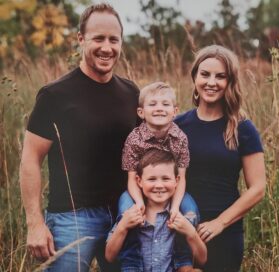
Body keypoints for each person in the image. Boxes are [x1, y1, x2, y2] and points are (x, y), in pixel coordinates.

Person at [19, 3, 139, 271]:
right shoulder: (55, 95)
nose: (106, 48)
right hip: (71, 219)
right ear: (81, 39)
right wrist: (35, 224)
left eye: (113, 40)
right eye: (98, 38)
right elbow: (30, 160)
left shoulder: (131, 93)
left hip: (123, 215)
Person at [175, 45, 266, 272]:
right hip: (179, 230)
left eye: (220, 76)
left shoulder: (242, 128)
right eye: (205, 74)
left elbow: (258, 188)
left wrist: (220, 223)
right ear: (195, 76)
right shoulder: (177, 125)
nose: (211, 82)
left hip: (224, 234)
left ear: (230, 82)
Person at [119, 82, 201, 270]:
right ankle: (130, 255)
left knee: (190, 209)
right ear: (141, 112)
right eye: (153, 104)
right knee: (125, 208)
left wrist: (175, 206)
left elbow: (181, 177)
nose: (159, 108)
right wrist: (139, 202)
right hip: (140, 188)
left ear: (175, 111)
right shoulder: (134, 139)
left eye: (165, 104)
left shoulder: (180, 138)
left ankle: (183, 255)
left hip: (171, 187)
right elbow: (131, 178)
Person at [105, 149, 207, 271]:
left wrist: (191, 233)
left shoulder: (181, 215)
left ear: (177, 181)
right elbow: (109, 257)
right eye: (152, 179)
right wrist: (122, 227)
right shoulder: (130, 213)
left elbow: (202, 260)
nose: (159, 185)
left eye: (165, 178)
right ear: (139, 181)